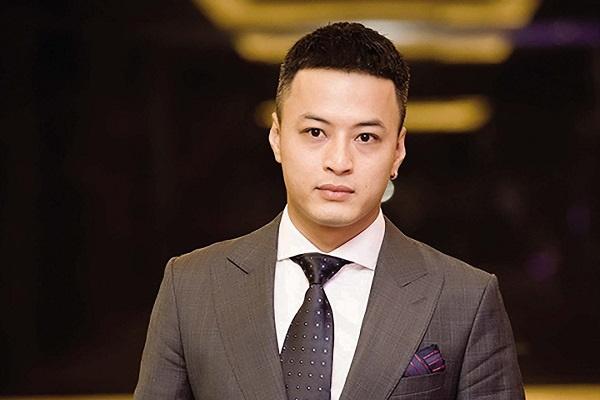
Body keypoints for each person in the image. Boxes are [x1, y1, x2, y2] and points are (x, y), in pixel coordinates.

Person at [134, 22, 524, 400]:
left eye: (366, 137)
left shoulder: (465, 298)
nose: (339, 161)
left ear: (397, 151)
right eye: (315, 132)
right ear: (277, 138)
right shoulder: (192, 287)